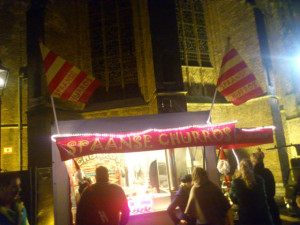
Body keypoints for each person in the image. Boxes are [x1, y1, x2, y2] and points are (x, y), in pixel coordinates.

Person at [230, 159, 273, 225]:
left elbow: (233, 198)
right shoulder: (259, 180)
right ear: (252, 167)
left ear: (240, 168)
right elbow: (263, 197)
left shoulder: (236, 182)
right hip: (260, 213)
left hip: (245, 214)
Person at [251, 151, 281, 224]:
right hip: (271, 204)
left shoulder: (253, 175)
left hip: (259, 209)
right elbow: (272, 190)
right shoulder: (268, 172)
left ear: (254, 161)